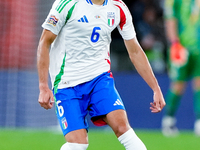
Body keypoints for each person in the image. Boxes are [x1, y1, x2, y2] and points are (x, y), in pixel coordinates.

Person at [37, 0, 166, 149]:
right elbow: (44, 42)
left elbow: (135, 51)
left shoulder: (119, 8)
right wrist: (43, 86)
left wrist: (155, 88)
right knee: (78, 145)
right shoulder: (67, 4)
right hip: (67, 83)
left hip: (99, 78)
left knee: (123, 129)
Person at [161, 0, 200, 137]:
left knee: (199, 84)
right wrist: (174, 43)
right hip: (181, 47)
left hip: (198, 48)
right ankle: (169, 120)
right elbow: (170, 20)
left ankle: (199, 123)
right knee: (178, 85)